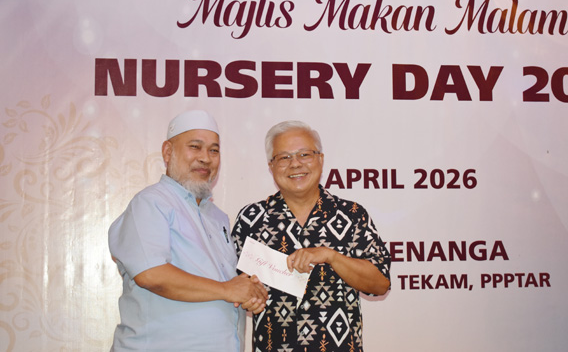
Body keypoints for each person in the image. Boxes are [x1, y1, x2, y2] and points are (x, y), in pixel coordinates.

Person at [108, 110, 268, 351]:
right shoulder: (152, 202)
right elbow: (151, 274)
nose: (205, 158)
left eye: (214, 150)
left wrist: (248, 293)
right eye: (195, 147)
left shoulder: (218, 217)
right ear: (167, 151)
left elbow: (222, 287)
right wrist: (227, 290)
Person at [232, 120, 391, 352]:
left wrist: (331, 256)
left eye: (304, 154)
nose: (295, 164)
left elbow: (380, 283)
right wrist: (247, 296)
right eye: (284, 157)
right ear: (271, 166)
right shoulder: (251, 218)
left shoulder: (352, 215)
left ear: (320, 159)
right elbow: (235, 284)